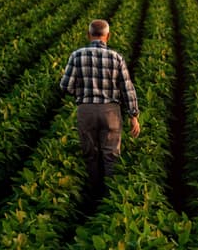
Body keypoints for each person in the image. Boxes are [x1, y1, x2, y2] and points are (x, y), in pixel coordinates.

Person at [59, 19, 140, 204]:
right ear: (108, 36)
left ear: (89, 35)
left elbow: (65, 86)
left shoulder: (77, 56)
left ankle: (92, 197)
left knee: (90, 154)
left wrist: (81, 90)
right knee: (111, 155)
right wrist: (133, 115)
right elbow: (127, 89)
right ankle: (110, 200)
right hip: (110, 111)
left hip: (86, 109)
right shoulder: (116, 57)